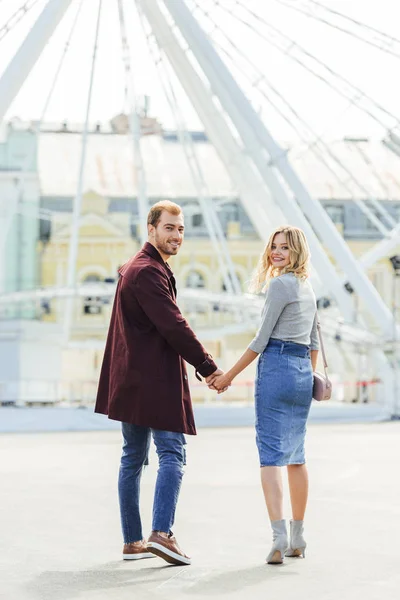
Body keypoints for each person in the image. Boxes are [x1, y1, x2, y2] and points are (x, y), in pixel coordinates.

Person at [95, 200, 223, 566]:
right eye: (169, 227)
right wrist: (208, 366)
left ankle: (132, 541)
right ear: (151, 229)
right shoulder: (148, 272)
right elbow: (173, 324)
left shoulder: (132, 269)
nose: (176, 235)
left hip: (129, 379)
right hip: (152, 379)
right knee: (172, 453)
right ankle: (162, 533)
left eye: (181, 229)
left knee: (133, 457)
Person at [209, 225, 319, 564]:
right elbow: (314, 342)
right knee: (297, 455)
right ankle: (298, 537)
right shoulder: (307, 288)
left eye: (284, 248)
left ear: (296, 251)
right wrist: (307, 377)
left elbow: (260, 340)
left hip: (277, 368)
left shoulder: (280, 284)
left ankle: (278, 537)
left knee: (270, 455)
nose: (277, 253)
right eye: (274, 246)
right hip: (302, 372)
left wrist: (227, 376)